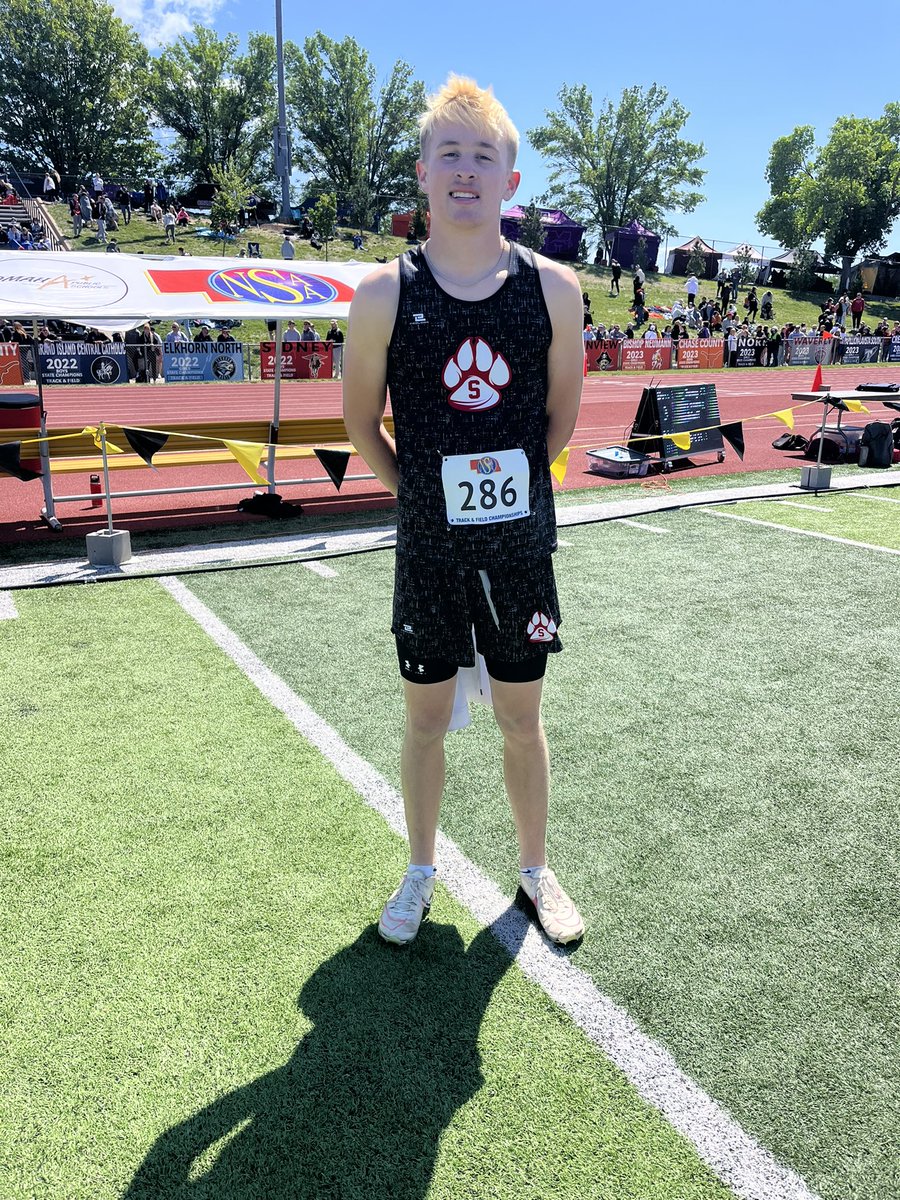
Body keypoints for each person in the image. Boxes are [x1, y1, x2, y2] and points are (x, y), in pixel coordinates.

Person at [343, 74, 585, 948]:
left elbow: (559, 419)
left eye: (485, 156)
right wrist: (416, 493)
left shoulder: (554, 291)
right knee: (424, 719)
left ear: (510, 182)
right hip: (429, 557)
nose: (466, 170)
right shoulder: (383, 295)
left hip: (520, 551)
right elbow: (358, 421)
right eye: (449, 153)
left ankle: (533, 871)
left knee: (523, 717)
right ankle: (419, 870)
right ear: (422, 172)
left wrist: (508, 488)